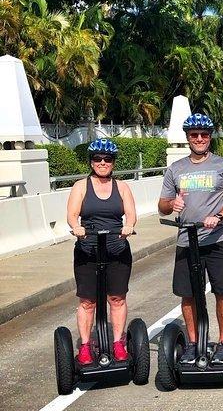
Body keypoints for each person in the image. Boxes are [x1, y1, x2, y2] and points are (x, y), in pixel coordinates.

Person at [158, 113, 223, 365]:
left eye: (204, 134)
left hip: (219, 240)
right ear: (187, 138)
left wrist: (218, 216)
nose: (199, 139)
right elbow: (161, 206)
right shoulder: (176, 169)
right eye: (194, 135)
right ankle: (193, 344)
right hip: (186, 240)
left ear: (210, 137)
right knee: (188, 294)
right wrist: (172, 203)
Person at [66, 138, 137, 365]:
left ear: (113, 162)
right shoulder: (81, 186)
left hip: (116, 247)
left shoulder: (122, 187)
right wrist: (76, 227)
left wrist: (129, 226)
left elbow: (131, 214)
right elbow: (72, 214)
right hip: (88, 247)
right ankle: (86, 346)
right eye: (97, 159)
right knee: (88, 301)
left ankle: (118, 343)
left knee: (117, 298)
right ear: (91, 162)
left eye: (107, 159)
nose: (102, 162)